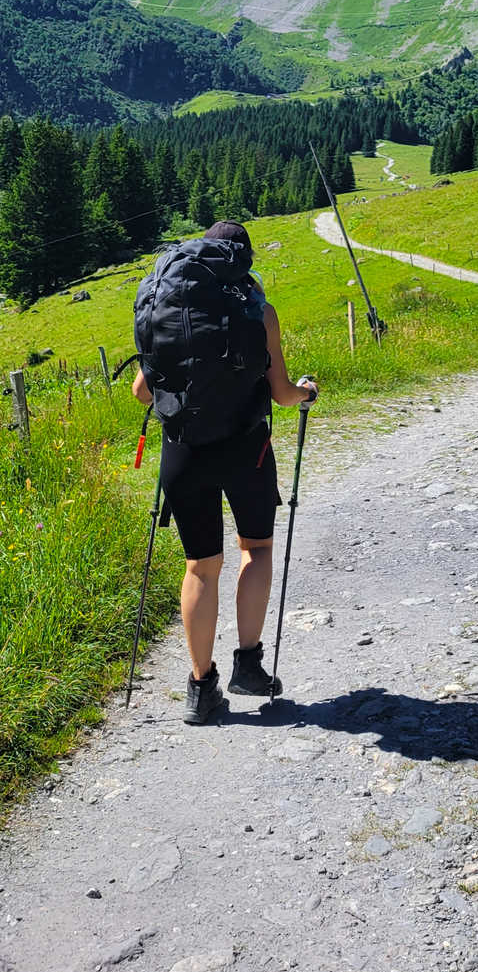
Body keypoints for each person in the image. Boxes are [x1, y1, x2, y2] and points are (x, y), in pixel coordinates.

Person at [132, 220, 318, 725]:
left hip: (183, 452)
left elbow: (142, 393)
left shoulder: (171, 308)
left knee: (200, 566)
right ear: (243, 260)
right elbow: (282, 394)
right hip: (245, 449)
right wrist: (307, 391)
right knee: (255, 549)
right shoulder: (257, 309)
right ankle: (249, 667)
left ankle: (201, 688)